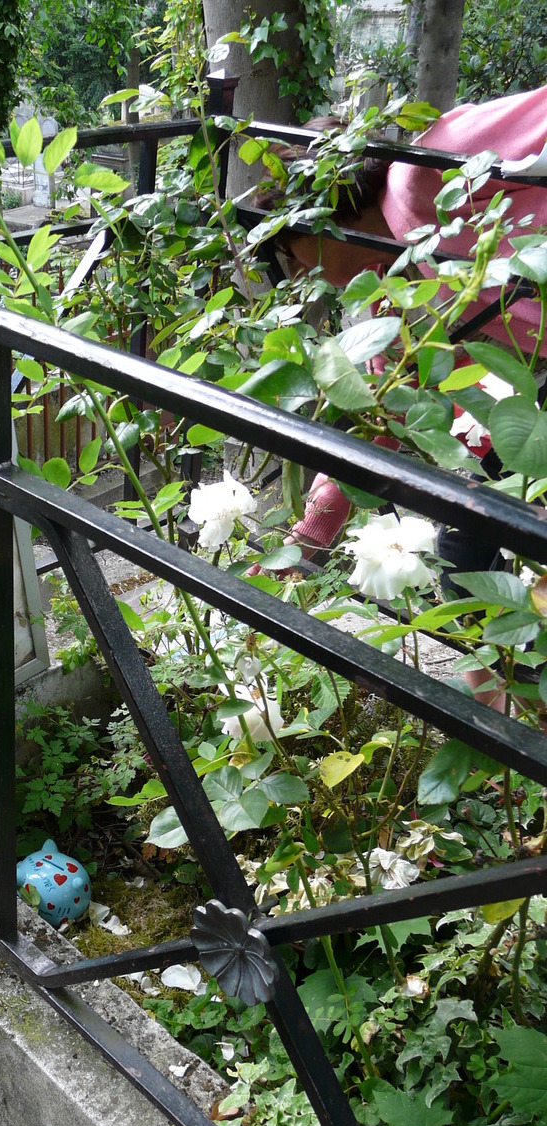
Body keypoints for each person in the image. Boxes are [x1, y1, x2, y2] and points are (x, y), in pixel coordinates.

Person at [259, 87, 547, 707]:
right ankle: (510, 726)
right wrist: (313, 531)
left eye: (291, 255)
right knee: (465, 553)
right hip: (529, 396)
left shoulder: (427, 171)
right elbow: (385, 410)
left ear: (318, 209)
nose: (303, 275)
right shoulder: (397, 299)